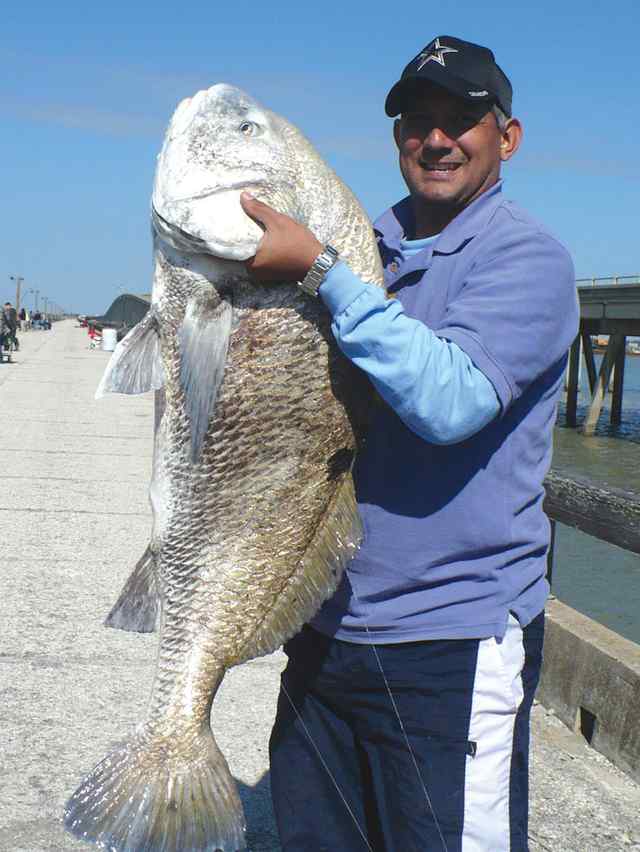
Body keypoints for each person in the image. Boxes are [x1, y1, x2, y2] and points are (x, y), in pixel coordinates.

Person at [240, 35, 579, 852]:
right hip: (325, 632)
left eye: (460, 120)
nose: (435, 139)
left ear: (508, 136)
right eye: (415, 122)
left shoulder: (527, 259)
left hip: (450, 643)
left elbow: (449, 399)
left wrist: (322, 270)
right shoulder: (363, 243)